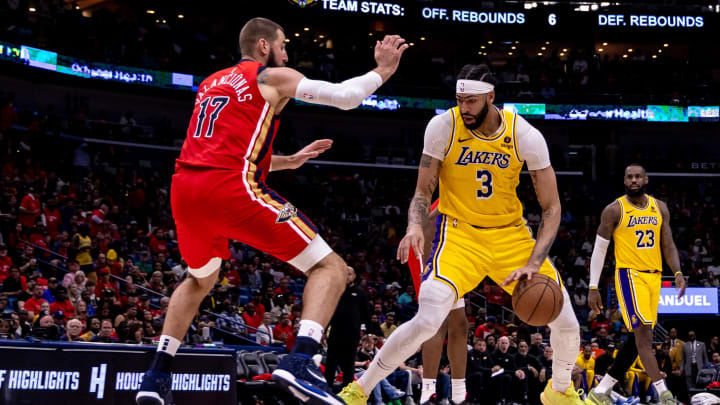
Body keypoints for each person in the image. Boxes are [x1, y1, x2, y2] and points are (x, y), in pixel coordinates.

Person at [135, 17, 407, 405]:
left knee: (199, 280)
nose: (286, 53)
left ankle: (157, 374)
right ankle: (300, 361)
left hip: (186, 190)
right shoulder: (270, 77)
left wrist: (287, 161)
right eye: (282, 45)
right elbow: (346, 97)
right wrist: (381, 70)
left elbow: (224, 148)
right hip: (230, 189)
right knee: (329, 267)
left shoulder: (211, 82)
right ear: (264, 46)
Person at [338, 64, 582, 405]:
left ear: (490, 97)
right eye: (459, 100)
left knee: (567, 323)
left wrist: (534, 261)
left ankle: (559, 391)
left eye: (471, 101)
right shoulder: (443, 127)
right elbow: (423, 192)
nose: (463, 108)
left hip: (510, 238)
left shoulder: (524, 135)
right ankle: (360, 390)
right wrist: (413, 224)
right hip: (459, 237)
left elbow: (552, 209)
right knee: (428, 318)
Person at [586, 163, 687, 405]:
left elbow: (668, 245)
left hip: (654, 277)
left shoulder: (659, 208)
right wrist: (592, 286)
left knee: (638, 339)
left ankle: (601, 391)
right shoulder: (614, 210)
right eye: (629, 177)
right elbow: (600, 250)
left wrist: (678, 272)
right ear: (624, 181)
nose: (634, 180)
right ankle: (664, 393)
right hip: (630, 276)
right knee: (643, 334)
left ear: (646, 179)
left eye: (638, 176)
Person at [408, 202, 469, 405]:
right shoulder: (447, 196)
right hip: (427, 253)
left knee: (460, 325)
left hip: (451, 255)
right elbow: (423, 222)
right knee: (437, 321)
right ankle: (428, 389)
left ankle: (459, 392)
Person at [324, 266, 369, 389]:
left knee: (349, 366)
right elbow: (328, 312)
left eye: (349, 274)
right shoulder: (335, 292)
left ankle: (347, 394)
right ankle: (327, 391)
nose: (346, 276)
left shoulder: (361, 293)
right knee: (331, 364)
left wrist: (365, 331)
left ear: (354, 276)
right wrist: (323, 330)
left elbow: (366, 314)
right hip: (335, 333)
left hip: (351, 335)